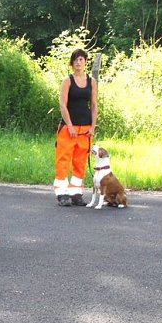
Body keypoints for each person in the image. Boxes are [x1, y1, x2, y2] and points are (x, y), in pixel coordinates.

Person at [53, 48, 97, 206]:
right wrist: (70, 125)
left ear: (85, 62)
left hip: (85, 127)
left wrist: (93, 125)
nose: (79, 62)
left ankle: (76, 192)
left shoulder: (91, 81)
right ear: (72, 62)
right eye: (76, 59)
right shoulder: (68, 80)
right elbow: (62, 105)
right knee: (63, 159)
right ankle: (62, 193)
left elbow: (93, 104)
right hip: (68, 128)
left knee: (80, 161)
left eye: (81, 59)